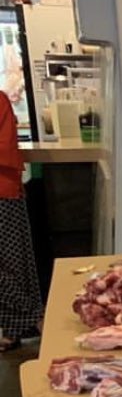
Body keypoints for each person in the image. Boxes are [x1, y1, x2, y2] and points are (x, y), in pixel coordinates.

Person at [0, 94, 43, 351]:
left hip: (3, 193)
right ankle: (18, 326)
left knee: (13, 266)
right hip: (7, 190)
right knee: (14, 265)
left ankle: (33, 318)